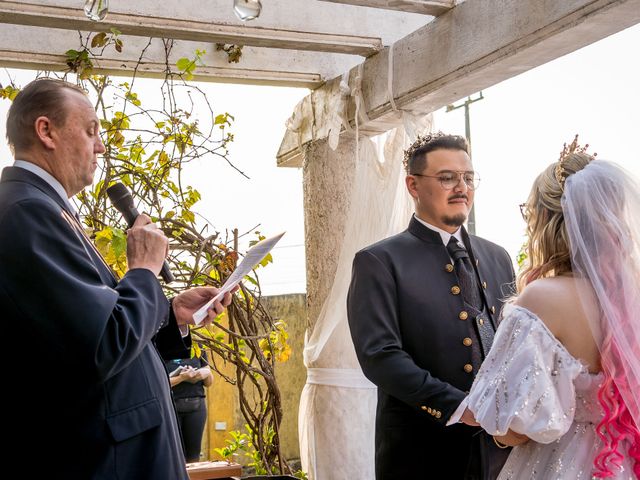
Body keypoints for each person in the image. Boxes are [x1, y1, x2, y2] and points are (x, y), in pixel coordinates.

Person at [0, 78, 233, 479]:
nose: (101, 146)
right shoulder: (27, 213)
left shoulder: (45, 210)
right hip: (107, 461)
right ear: (46, 131)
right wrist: (143, 270)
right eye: (91, 130)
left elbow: (80, 333)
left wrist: (170, 314)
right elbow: (102, 346)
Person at [450, 137, 640, 478]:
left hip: (561, 463)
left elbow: (512, 429)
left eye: (530, 212)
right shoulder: (631, 297)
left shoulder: (543, 298)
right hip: (623, 458)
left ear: (549, 221)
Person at [347, 132, 516, 479]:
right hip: (421, 454)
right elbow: (379, 357)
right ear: (413, 185)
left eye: (468, 178)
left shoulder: (498, 256)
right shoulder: (379, 261)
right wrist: (459, 406)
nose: (461, 188)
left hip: (500, 453)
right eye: (446, 178)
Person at [164, 348, 213, 463]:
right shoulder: (161, 347)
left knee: (193, 455)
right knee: (173, 455)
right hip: (171, 407)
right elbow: (160, 383)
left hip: (196, 407)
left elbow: (209, 383)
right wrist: (182, 378)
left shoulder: (198, 347)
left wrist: (203, 374)